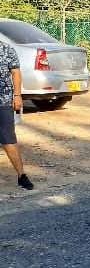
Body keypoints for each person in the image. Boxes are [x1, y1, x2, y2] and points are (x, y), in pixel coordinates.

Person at [0, 40, 33, 190]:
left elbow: (15, 72)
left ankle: (21, 176)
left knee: (8, 139)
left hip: (3, 101)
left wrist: (17, 95)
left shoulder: (6, 49)